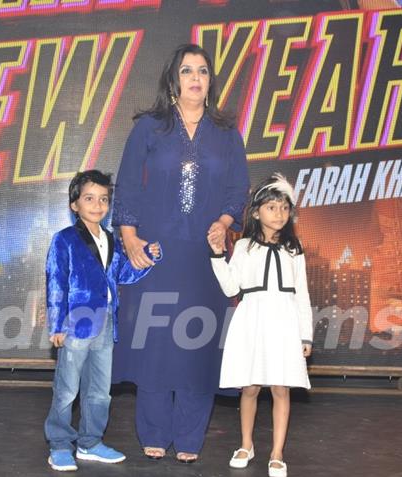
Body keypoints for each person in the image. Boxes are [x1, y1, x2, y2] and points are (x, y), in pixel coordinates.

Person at [112, 43, 250, 462]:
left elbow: (237, 187)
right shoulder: (149, 128)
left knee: (197, 342)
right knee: (155, 341)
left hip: (204, 256)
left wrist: (225, 223)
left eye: (203, 71)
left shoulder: (226, 133)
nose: (195, 77)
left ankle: (189, 436)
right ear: (173, 80)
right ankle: (153, 429)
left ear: (211, 81)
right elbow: (130, 185)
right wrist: (131, 239)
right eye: (187, 70)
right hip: (155, 252)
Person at [44, 170, 161, 472]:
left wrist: (148, 255)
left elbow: (122, 274)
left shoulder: (110, 239)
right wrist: (57, 325)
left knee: (99, 390)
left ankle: (90, 442)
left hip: (106, 322)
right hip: (76, 323)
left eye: (103, 199)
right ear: (75, 205)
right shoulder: (65, 240)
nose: (97, 205)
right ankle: (59, 443)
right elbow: (56, 282)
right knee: (67, 388)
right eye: (89, 199)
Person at [207, 174, 312, 477]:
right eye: (271, 207)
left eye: (284, 208)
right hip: (251, 320)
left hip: (284, 323)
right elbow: (230, 288)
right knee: (250, 387)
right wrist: (217, 254)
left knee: (281, 388)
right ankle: (245, 444)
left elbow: (302, 294)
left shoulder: (295, 249)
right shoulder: (243, 248)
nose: (279, 214)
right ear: (256, 212)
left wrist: (305, 335)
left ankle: (278, 452)